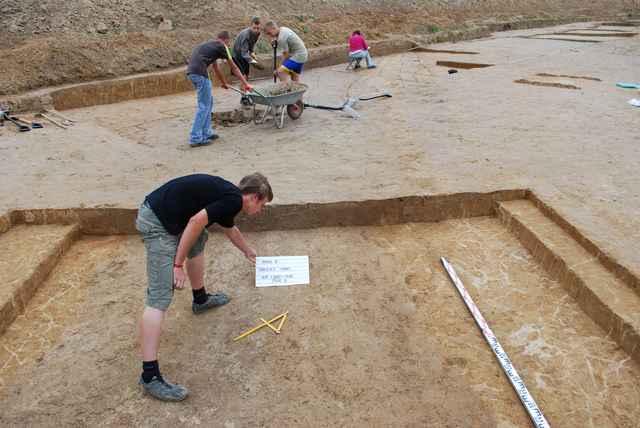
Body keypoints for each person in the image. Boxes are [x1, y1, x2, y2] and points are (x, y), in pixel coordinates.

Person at [136, 172, 273, 401]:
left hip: (171, 213)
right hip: (157, 221)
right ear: (256, 197)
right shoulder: (232, 200)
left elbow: (229, 229)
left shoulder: (230, 198)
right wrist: (177, 264)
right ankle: (149, 376)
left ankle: (200, 299)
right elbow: (196, 221)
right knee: (159, 299)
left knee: (198, 239)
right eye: (263, 205)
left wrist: (247, 250)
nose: (261, 211)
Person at [186, 31, 253, 147]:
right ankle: (195, 138)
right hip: (200, 73)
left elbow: (216, 68)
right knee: (204, 105)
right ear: (226, 40)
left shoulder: (210, 46)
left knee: (208, 103)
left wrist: (223, 83)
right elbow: (235, 67)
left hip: (192, 73)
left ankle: (207, 133)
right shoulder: (223, 47)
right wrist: (246, 83)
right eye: (228, 42)